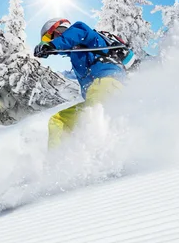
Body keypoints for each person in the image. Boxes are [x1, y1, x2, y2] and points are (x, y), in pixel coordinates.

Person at [34, 18, 127, 148]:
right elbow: (66, 45)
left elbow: (77, 32)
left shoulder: (85, 35)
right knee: (58, 121)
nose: (50, 41)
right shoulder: (77, 53)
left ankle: (105, 158)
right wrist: (50, 49)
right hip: (101, 91)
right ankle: (57, 163)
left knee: (92, 122)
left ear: (59, 31)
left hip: (106, 84)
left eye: (50, 37)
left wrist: (52, 46)